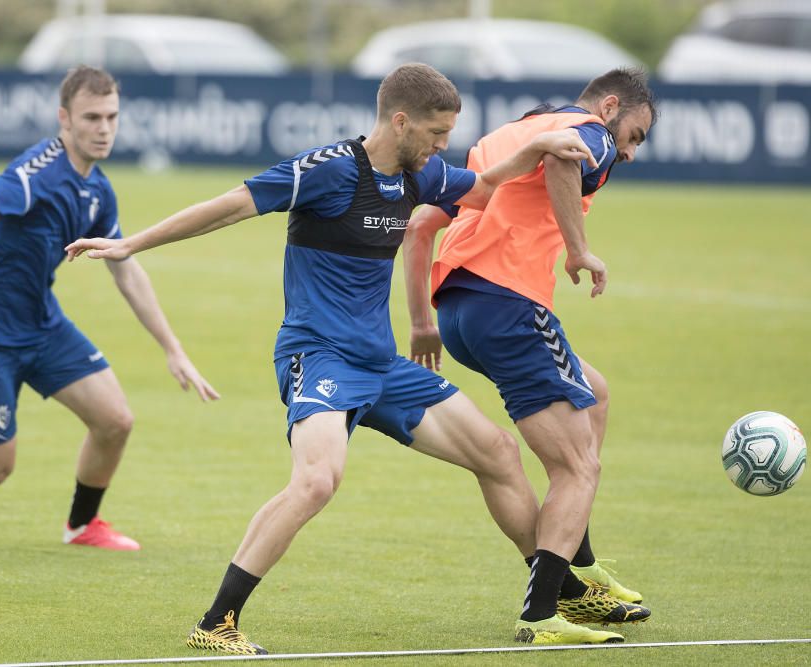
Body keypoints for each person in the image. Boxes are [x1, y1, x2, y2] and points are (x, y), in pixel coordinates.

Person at [66, 63, 645, 651]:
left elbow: (487, 188)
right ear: (401, 122)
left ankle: (554, 592)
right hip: (318, 359)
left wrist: (538, 145)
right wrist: (132, 243)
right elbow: (229, 206)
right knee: (317, 481)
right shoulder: (329, 170)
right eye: (437, 134)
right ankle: (216, 623)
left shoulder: (418, 176)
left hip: (382, 366)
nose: (445, 146)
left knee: (496, 452)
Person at [0, 65, 219, 551]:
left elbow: (125, 267)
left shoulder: (98, 190)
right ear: (64, 118)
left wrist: (173, 349)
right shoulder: (39, 171)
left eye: (112, 116)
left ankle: (82, 525)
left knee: (115, 421)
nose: (104, 128)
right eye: (92, 117)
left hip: (42, 324)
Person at [402, 67, 658, 643]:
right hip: (509, 307)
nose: (630, 152)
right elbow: (565, 162)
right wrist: (579, 250)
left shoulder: (504, 137)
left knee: (594, 392)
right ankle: (543, 616)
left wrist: (422, 322)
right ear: (611, 106)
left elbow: (421, 227)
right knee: (578, 466)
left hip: (461, 313)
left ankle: (583, 573)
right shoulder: (587, 130)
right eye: (634, 135)